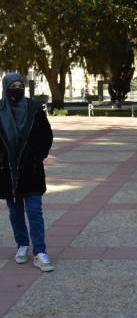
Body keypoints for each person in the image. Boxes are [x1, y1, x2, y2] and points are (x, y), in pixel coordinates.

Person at [0, 73, 54, 272]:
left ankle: (40, 251)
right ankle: (22, 245)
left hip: (31, 170)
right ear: (6, 88)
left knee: (34, 210)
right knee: (15, 211)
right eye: (12, 85)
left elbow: (46, 136)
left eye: (19, 85)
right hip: (8, 171)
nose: (16, 89)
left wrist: (35, 157)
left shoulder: (34, 109)